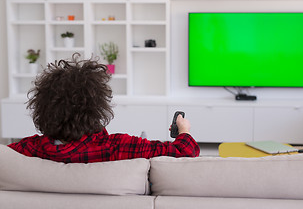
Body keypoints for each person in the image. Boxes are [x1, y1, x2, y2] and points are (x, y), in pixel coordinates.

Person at [8, 54, 200, 163]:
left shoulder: (27, 149)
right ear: (97, 107)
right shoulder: (119, 147)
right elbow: (186, 151)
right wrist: (184, 130)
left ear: (42, 108)